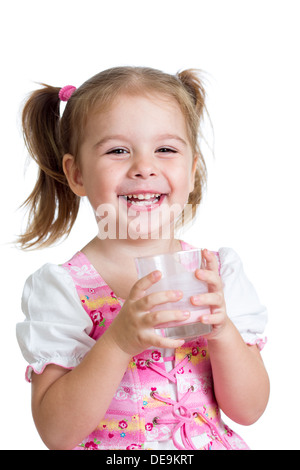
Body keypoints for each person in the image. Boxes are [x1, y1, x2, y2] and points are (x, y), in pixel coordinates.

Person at [16, 66, 269, 451]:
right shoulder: (62, 289)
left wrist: (222, 332)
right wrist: (118, 342)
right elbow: (56, 433)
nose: (144, 167)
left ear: (192, 168)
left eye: (166, 149)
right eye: (118, 150)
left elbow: (249, 409)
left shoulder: (216, 274)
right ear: (77, 173)